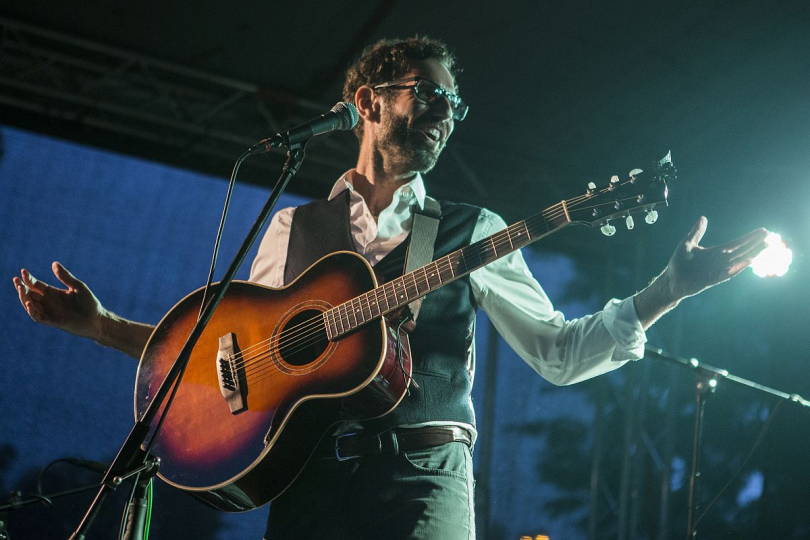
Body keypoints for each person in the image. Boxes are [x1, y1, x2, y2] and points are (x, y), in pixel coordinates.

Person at [13, 36, 767, 539]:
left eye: (454, 106)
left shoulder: (473, 228)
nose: (445, 115)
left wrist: (670, 288)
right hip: (308, 477)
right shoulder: (292, 228)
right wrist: (103, 326)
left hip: (425, 476)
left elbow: (560, 355)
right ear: (367, 101)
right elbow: (220, 359)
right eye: (427, 95)